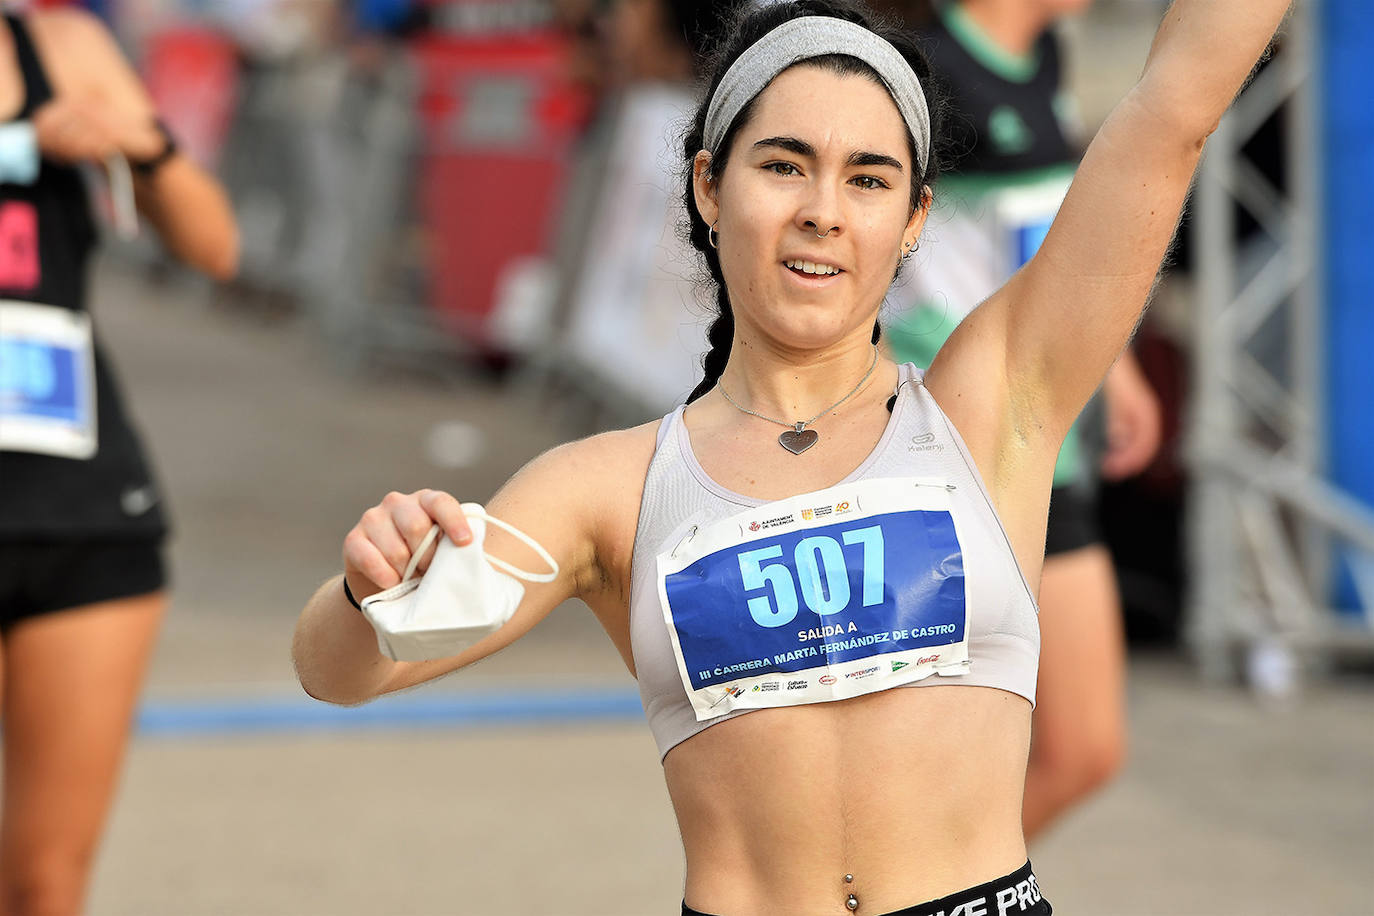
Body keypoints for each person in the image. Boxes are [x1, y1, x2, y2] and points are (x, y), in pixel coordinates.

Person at [293, 0, 1289, 912]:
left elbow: (1176, 106)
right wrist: (366, 586)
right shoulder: (610, 488)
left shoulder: (995, 405)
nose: (823, 209)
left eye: (869, 178)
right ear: (709, 186)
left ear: (916, 219)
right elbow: (347, 670)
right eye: (783, 164)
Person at [878, 0, 1163, 838]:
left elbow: (1064, 236)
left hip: (1052, 448)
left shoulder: (1041, 60)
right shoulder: (924, 76)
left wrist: (1123, 363)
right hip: (951, 451)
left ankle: (927, 887)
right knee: (925, 746)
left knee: (1085, 750)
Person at [0, 8, 237, 913]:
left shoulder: (60, 47)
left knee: (45, 884)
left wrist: (138, 146)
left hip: (85, 507)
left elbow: (213, 245)